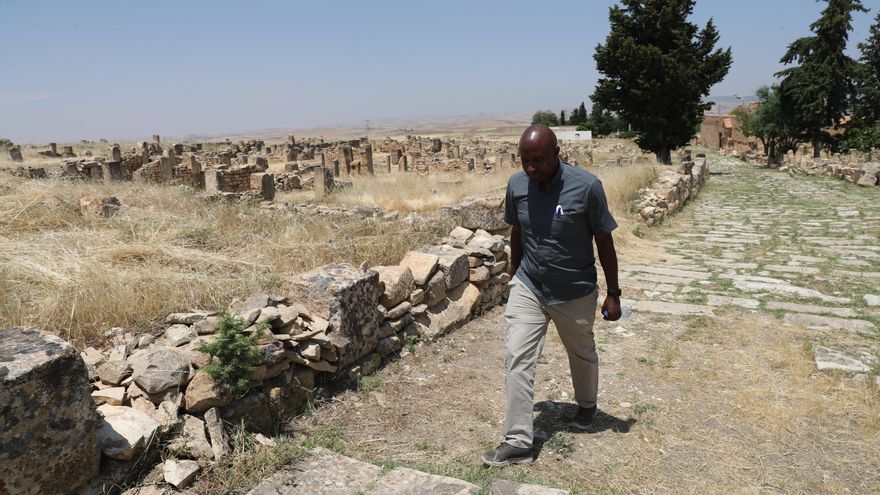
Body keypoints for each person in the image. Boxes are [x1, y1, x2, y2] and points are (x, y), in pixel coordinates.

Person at [482, 124, 622, 467]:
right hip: (530, 285)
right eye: (525, 161)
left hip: (574, 290)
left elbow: (604, 240)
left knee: (582, 351)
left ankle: (587, 405)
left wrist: (614, 293)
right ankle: (517, 441)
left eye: (538, 161)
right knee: (517, 357)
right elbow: (518, 229)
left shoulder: (586, 187)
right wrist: (515, 273)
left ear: (557, 153)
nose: (531, 168)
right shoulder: (517, 185)